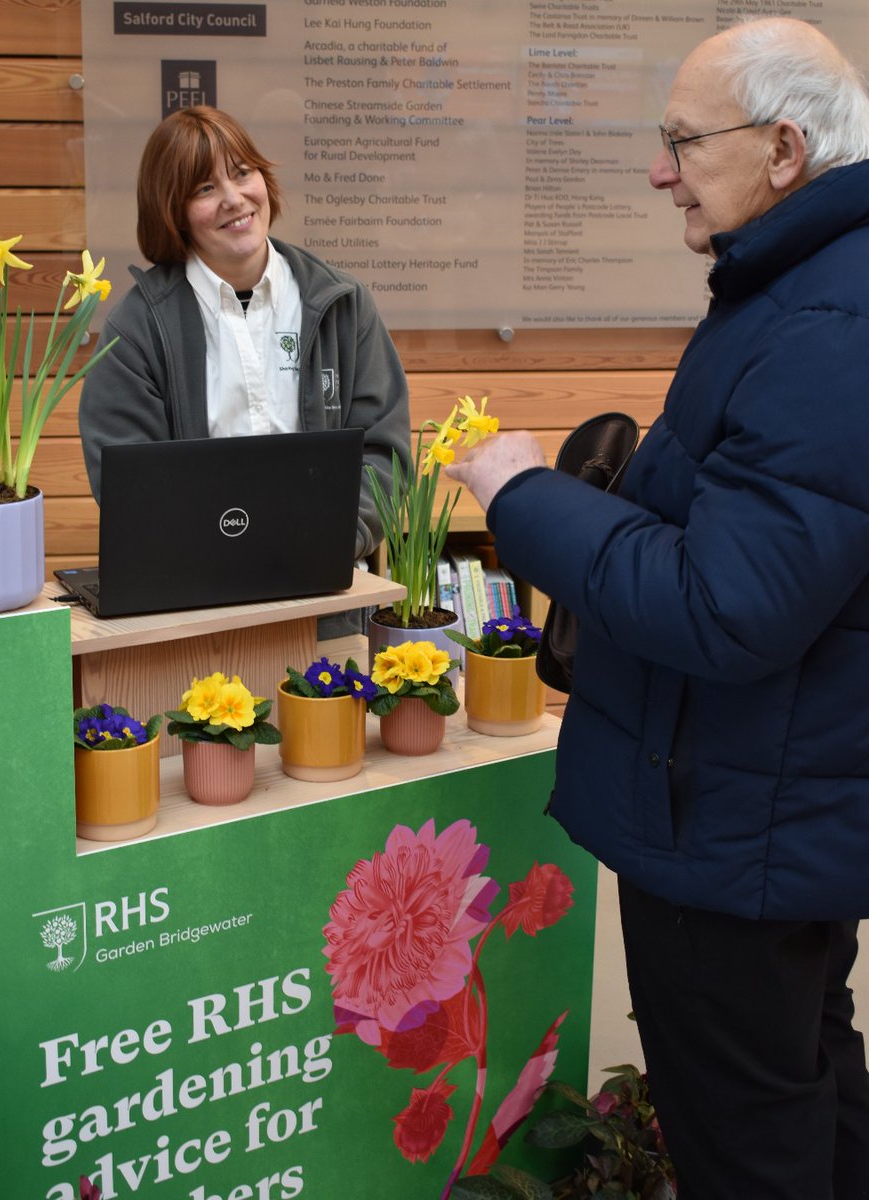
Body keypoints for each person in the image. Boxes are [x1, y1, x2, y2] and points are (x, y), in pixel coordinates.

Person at [448, 17, 869, 1200]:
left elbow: (727, 606)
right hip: (771, 811)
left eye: (683, 141)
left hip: (736, 831)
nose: (657, 169)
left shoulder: (827, 323)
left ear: (785, 148)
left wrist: (523, 495)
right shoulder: (810, 292)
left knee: (749, 1139)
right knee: (806, 1089)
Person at [78, 105, 409, 575]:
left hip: (325, 595)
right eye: (205, 188)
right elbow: (130, 482)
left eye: (242, 173)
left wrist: (334, 541)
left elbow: (384, 452)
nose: (234, 199)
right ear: (173, 211)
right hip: (196, 608)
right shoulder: (136, 330)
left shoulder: (343, 305)